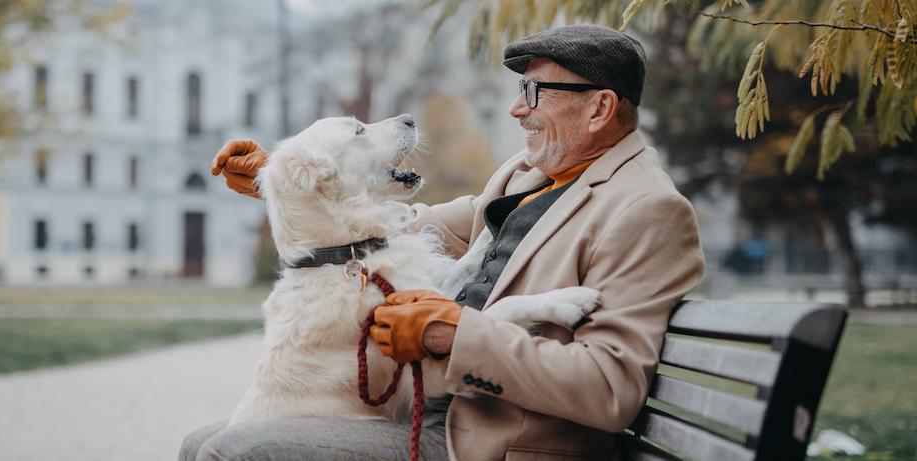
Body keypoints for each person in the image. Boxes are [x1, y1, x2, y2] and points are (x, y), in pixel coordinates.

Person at [184, 24, 705, 461]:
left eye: (534, 93)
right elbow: (406, 227)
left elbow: (608, 388)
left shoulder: (647, 210)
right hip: (431, 406)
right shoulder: (528, 176)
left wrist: (454, 337)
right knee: (202, 442)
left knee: (230, 453)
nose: (516, 111)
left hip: (483, 438)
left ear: (598, 109)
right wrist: (285, 182)